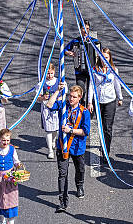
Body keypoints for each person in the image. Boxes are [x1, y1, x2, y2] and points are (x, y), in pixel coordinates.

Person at [46, 84, 91, 212]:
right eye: (70, 96)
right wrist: (58, 91)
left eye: (74, 97)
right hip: (62, 146)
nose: (71, 99)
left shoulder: (84, 112)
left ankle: (79, 185)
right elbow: (49, 105)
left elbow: (85, 131)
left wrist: (70, 130)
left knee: (80, 169)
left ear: (79, 98)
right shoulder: (63, 106)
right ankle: (63, 201)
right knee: (62, 173)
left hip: (77, 146)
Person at [88, 48, 123, 159]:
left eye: (106, 57)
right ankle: (102, 144)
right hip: (98, 101)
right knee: (100, 126)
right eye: (102, 57)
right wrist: (90, 102)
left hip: (110, 101)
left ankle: (105, 152)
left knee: (107, 127)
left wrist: (120, 97)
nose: (104, 60)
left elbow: (117, 84)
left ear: (110, 58)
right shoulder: (94, 70)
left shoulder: (114, 70)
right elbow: (91, 86)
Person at [64, 20, 101, 107]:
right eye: (83, 28)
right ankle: (80, 108)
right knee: (81, 90)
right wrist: (69, 53)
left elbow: (101, 55)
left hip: (92, 71)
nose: (85, 30)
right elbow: (64, 49)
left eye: (87, 28)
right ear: (80, 29)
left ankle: (90, 110)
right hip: (80, 70)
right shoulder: (76, 41)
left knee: (91, 91)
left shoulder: (95, 42)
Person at [37, 64, 65, 159]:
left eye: (51, 73)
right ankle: (50, 150)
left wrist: (60, 98)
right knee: (49, 130)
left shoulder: (59, 82)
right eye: (48, 73)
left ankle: (53, 141)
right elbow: (37, 98)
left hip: (56, 109)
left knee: (56, 129)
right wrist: (42, 98)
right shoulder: (41, 83)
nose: (49, 75)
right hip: (46, 109)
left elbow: (65, 93)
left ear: (54, 72)